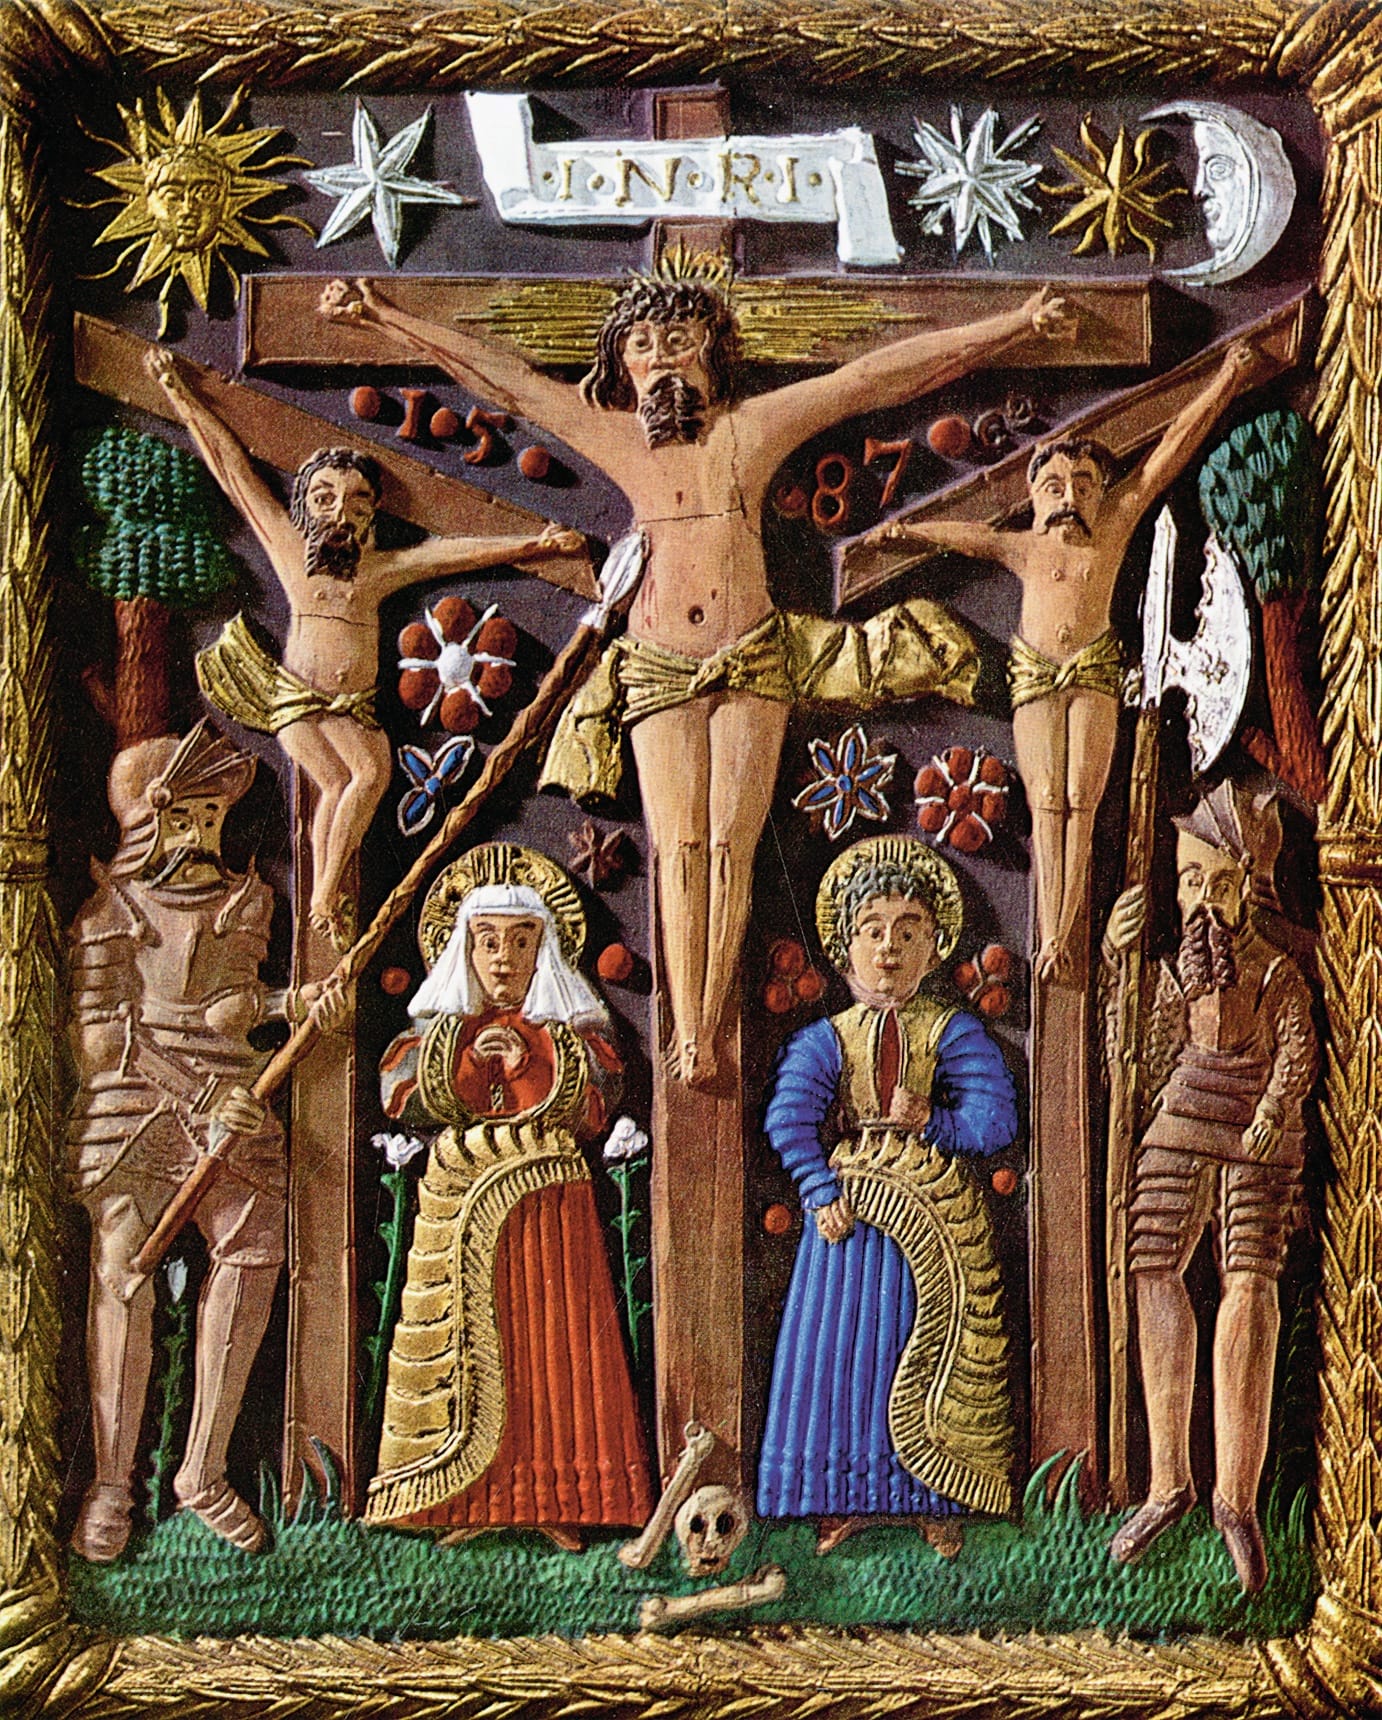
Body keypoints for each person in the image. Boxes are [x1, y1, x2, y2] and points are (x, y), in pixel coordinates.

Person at [319, 270, 1073, 1084]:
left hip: (752, 656)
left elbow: (875, 378)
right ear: (622, 367)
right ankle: (689, 1029)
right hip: (658, 662)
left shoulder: (750, 430)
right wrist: (384, 317)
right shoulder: (617, 438)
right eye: (643, 348)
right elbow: (508, 382)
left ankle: (710, 1019)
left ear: (713, 357)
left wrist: (1018, 325)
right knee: (679, 844)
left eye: (680, 343)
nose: (662, 362)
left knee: (729, 845)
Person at [144, 346, 587, 947]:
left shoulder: (376, 571)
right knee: (370, 772)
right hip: (298, 702)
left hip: (349, 707)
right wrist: (179, 394)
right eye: (324, 498)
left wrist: (536, 545)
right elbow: (234, 473)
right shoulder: (292, 558)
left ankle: (322, 896)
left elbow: (451, 555)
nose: (341, 514)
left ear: (372, 515)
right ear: (303, 506)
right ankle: (326, 892)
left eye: (357, 502)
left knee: (340, 787)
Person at [868, 340, 1262, 985]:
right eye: (1054, 487)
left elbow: (1170, 452)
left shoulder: (1114, 526)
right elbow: (970, 538)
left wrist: (1228, 376)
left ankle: (1065, 928)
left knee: (1083, 798)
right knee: (1047, 799)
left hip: (1093, 672)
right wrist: (907, 532)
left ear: (1102, 492)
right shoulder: (1024, 547)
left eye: (1084, 485)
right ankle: (1052, 930)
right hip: (1035, 673)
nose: (1069, 497)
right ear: (1033, 496)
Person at [68, 720, 347, 1562]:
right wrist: (197, 1094)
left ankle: (202, 1470)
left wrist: (292, 1007)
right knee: (124, 1270)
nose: (201, 837)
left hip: (235, 1106)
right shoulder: (112, 910)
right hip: (134, 1112)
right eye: (187, 817)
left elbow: (235, 1011)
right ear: (149, 820)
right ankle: (111, 1487)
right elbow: (97, 1039)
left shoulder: (247, 901)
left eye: (213, 818)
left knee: (254, 1247)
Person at [367, 843, 653, 1547]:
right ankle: (464, 1501)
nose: (503, 959)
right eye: (488, 941)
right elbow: (400, 1093)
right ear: (463, 948)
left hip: (548, 1205)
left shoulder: (572, 1031)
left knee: (555, 1350)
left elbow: (598, 1100)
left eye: (521, 942)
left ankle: (559, 1499)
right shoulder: (438, 1028)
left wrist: (532, 1061)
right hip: (461, 1198)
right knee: (463, 1342)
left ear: (544, 949)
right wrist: (466, 1060)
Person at [756, 835, 1019, 1557]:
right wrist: (818, 1188)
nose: (889, 950)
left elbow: (996, 1117)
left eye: (908, 932)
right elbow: (789, 1120)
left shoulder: (950, 1030)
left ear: (935, 947)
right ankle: (839, 1501)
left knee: (934, 1349)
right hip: (848, 1225)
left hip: (936, 1219)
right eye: (872, 932)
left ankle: (935, 1499)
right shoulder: (828, 1038)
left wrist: (933, 1120)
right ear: (844, 949)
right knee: (839, 1354)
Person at [1101, 782, 1317, 1594]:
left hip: (1256, 1127)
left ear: (1247, 888)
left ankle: (1237, 1501)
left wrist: (1272, 1111)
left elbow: (1296, 1052)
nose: (1201, 901)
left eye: (1217, 883)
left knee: (1249, 1284)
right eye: (1189, 881)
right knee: (1153, 1268)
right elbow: (1137, 1056)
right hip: (1183, 1114)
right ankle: (1168, 1484)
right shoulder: (1173, 973)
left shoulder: (1275, 972)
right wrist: (1119, 963)